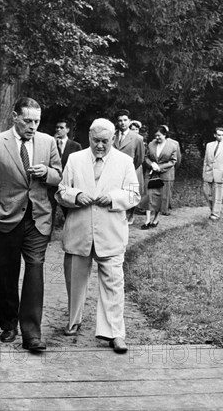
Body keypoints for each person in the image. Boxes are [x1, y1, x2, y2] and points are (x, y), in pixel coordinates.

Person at [0, 97, 62, 351]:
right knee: (7, 272)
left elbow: (59, 175)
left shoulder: (48, 142)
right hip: (5, 218)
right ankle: (9, 324)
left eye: (37, 121)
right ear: (15, 117)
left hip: (38, 218)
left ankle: (31, 334)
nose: (33, 126)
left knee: (35, 269)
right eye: (27, 121)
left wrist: (46, 173)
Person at [56, 118, 140, 354]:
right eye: (95, 141)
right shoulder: (75, 159)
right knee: (75, 279)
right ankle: (74, 321)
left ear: (113, 139)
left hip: (110, 232)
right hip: (79, 231)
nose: (100, 146)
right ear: (89, 138)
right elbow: (61, 192)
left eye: (105, 141)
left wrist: (114, 198)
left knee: (114, 283)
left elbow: (134, 195)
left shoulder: (124, 162)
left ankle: (115, 332)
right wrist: (76, 195)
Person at [141, 125, 177, 229]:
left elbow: (173, 161)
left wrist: (160, 167)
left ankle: (155, 219)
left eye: (159, 136)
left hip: (164, 174)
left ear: (165, 135)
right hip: (151, 173)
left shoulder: (172, 146)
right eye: (155, 136)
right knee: (148, 195)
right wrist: (151, 164)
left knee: (161, 197)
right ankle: (147, 220)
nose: (157, 138)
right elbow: (146, 157)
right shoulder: (151, 144)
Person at [113, 109, 145, 225]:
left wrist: (131, 169)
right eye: (120, 120)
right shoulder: (112, 135)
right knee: (117, 192)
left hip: (132, 169)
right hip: (115, 170)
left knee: (131, 193)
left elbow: (140, 157)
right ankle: (119, 214)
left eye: (125, 120)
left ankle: (131, 214)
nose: (122, 123)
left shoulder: (137, 138)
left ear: (129, 121)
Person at [51, 119, 82, 221]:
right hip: (53, 182)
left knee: (68, 212)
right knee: (50, 210)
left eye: (61, 127)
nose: (58, 130)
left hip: (67, 183)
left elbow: (78, 166)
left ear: (68, 130)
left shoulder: (75, 146)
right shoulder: (50, 144)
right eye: (57, 127)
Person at [202, 127, 223, 220]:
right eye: (219, 135)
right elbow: (205, 160)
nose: (221, 137)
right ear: (215, 135)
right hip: (208, 173)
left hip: (221, 174)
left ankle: (215, 214)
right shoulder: (209, 145)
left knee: (218, 195)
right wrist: (204, 173)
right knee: (206, 193)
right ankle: (214, 210)